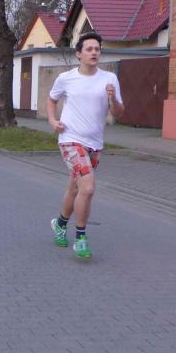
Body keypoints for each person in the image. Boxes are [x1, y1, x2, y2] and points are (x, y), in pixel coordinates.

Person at [46, 31, 123, 258]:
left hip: (95, 143)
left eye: (97, 49)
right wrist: (52, 121)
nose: (94, 52)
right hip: (70, 139)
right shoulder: (66, 78)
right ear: (79, 54)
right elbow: (52, 99)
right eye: (89, 49)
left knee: (76, 188)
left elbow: (118, 112)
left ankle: (60, 224)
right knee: (88, 188)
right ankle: (80, 238)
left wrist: (113, 98)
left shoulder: (109, 79)